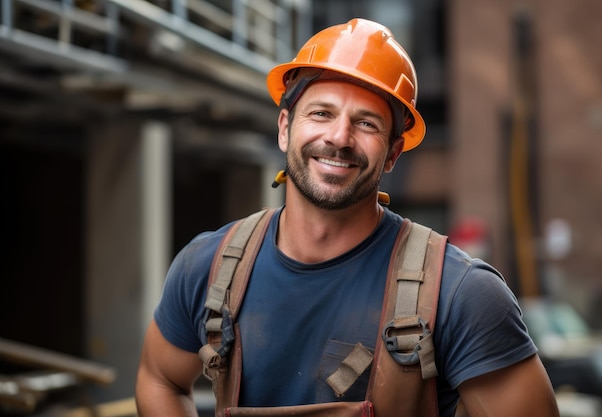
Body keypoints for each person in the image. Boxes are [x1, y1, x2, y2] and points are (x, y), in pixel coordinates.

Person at [135, 18, 560, 417]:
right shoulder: (207, 267)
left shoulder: (459, 294)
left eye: (367, 123)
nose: (339, 137)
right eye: (321, 113)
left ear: (394, 152)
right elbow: (160, 379)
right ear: (285, 127)